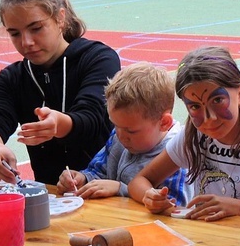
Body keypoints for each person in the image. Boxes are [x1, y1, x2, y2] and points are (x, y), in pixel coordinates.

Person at [0, 0, 121, 185]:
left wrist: (59, 125)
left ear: (60, 18)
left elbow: (93, 118)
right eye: (15, 33)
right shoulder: (11, 79)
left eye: (36, 28)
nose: (26, 42)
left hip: (107, 192)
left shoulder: (98, 59)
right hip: (52, 199)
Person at [128, 46, 240, 221]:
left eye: (217, 100)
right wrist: (151, 196)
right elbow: (139, 181)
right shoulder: (193, 138)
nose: (209, 118)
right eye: (195, 106)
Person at [57, 62, 191, 204]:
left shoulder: (177, 156)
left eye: (131, 131)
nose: (120, 136)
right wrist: (82, 179)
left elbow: (173, 207)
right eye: (115, 125)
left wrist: (121, 189)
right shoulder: (119, 135)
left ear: (164, 123)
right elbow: (98, 171)